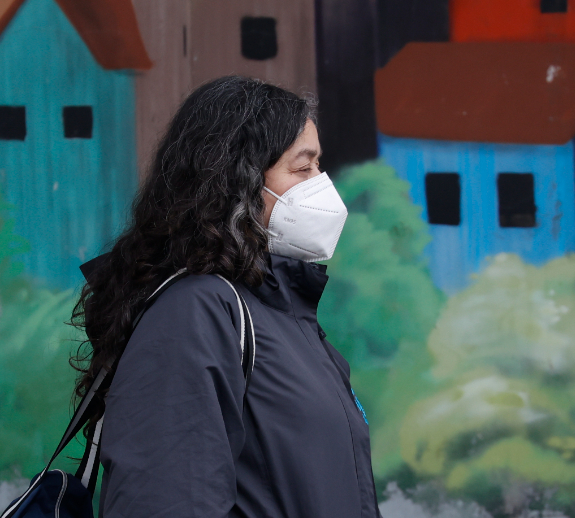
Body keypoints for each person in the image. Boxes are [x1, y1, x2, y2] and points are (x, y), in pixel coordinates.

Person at [73, 76, 382, 517]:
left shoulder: (282, 313)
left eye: (320, 166)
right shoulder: (195, 313)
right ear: (236, 179)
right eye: (302, 168)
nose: (323, 185)